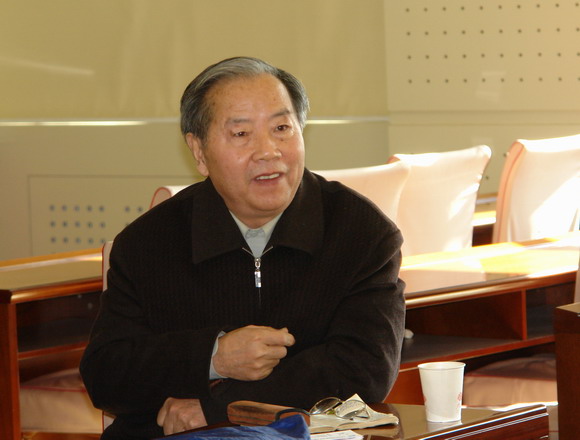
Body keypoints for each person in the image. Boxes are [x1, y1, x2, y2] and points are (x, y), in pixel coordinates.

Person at [80, 56, 406, 440]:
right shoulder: (147, 243)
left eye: (281, 128)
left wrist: (220, 407)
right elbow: (106, 375)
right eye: (241, 134)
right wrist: (213, 357)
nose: (268, 151)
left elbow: (366, 369)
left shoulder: (360, 232)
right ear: (198, 152)